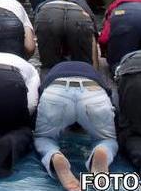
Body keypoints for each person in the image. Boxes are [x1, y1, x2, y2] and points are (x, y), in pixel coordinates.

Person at [34, 61, 116, 191]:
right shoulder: (93, 71)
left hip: (56, 92)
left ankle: (54, 155)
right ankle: (101, 151)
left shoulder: (55, 69)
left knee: (44, 138)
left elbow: (39, 98)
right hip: (93, 92)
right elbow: (110, 98)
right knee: (107, 138)